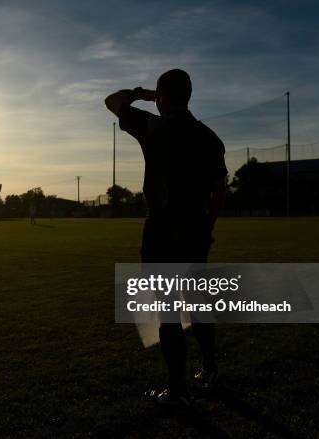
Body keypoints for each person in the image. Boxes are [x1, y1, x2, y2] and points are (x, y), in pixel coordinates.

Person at [105, 69, 227, 406]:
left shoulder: (155, 127)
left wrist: (142, 94)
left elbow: (111, 101)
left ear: (163, 97)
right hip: (196, 231)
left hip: (162, 231)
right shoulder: (210, 138)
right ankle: (210, 370)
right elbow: (219, 194)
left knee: (169, 311)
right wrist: (208, 228)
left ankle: (177, 390)